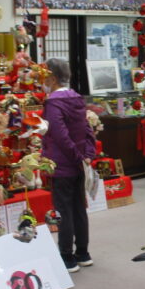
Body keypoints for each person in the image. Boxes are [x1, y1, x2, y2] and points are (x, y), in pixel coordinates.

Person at [42, 58, 96, 273]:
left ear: (53, 78)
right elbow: (87, 129)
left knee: (63, 210)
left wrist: (76, 156)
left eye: (45, 76)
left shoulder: (53, 103)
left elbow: (59, 135)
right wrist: (87, 155)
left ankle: (66, 256)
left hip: (63, 163)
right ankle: (83, 253)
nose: (43, 81)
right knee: (78, 207)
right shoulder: (76, 98)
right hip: (79, 163)